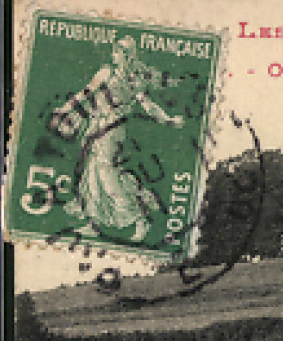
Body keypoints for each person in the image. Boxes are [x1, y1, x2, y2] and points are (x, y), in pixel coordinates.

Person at [48, 35, 185, 243]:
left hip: (114, 130)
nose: (113, 55)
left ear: (126, 56)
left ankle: (141, 218)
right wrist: (64, 110)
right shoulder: (105, 73)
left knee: (107, 175)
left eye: (117, 52)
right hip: (96, 126)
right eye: (113, 51)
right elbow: (84, 93)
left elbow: (148, 105)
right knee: (90, 175)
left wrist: (168, 120)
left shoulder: (135, 81)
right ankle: (94, 224)